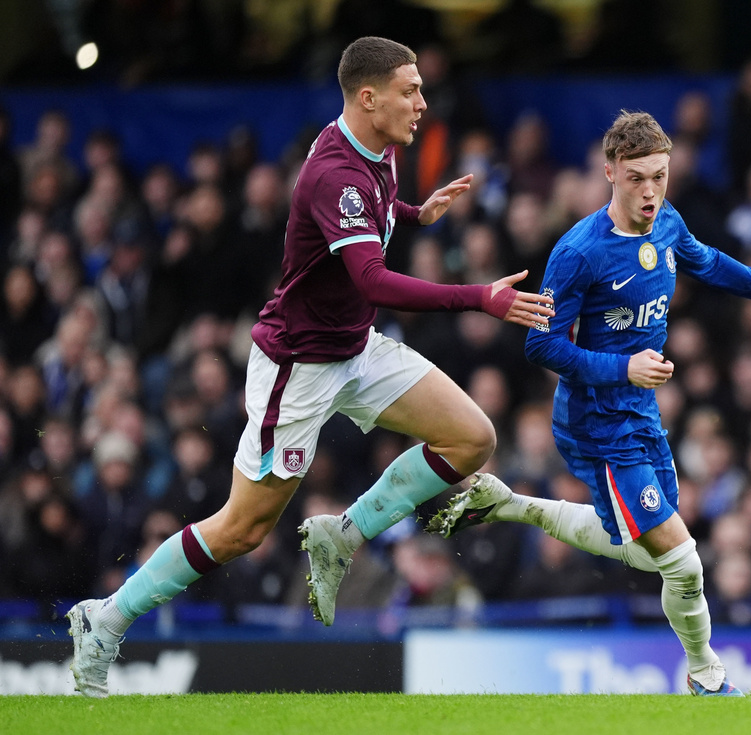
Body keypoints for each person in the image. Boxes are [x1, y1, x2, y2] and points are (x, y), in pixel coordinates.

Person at [65, 36, 555, 699]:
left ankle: (342, 534)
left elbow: (366, 224)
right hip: (298, 366)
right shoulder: (334, 172)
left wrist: (416, 212)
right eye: (410, 90)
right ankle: (106, 618)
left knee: (472, 438)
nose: (423, 101)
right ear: (368, 96)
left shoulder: (378, 148)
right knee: (243, 529)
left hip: (354, 345)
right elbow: (373, 278)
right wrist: (479, 297)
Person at [428, 110, 751, 697]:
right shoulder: (578, 252)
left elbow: (712, 263)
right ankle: (707, 676)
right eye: (638, 178)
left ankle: (509, 502)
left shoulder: (666, 221)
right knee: (684, 560)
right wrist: (625, 367)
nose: (650, 192)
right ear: (610, 171)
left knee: (652, 555)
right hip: (594, 422)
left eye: (660, 177)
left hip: (639, 413)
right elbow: (540, 344)